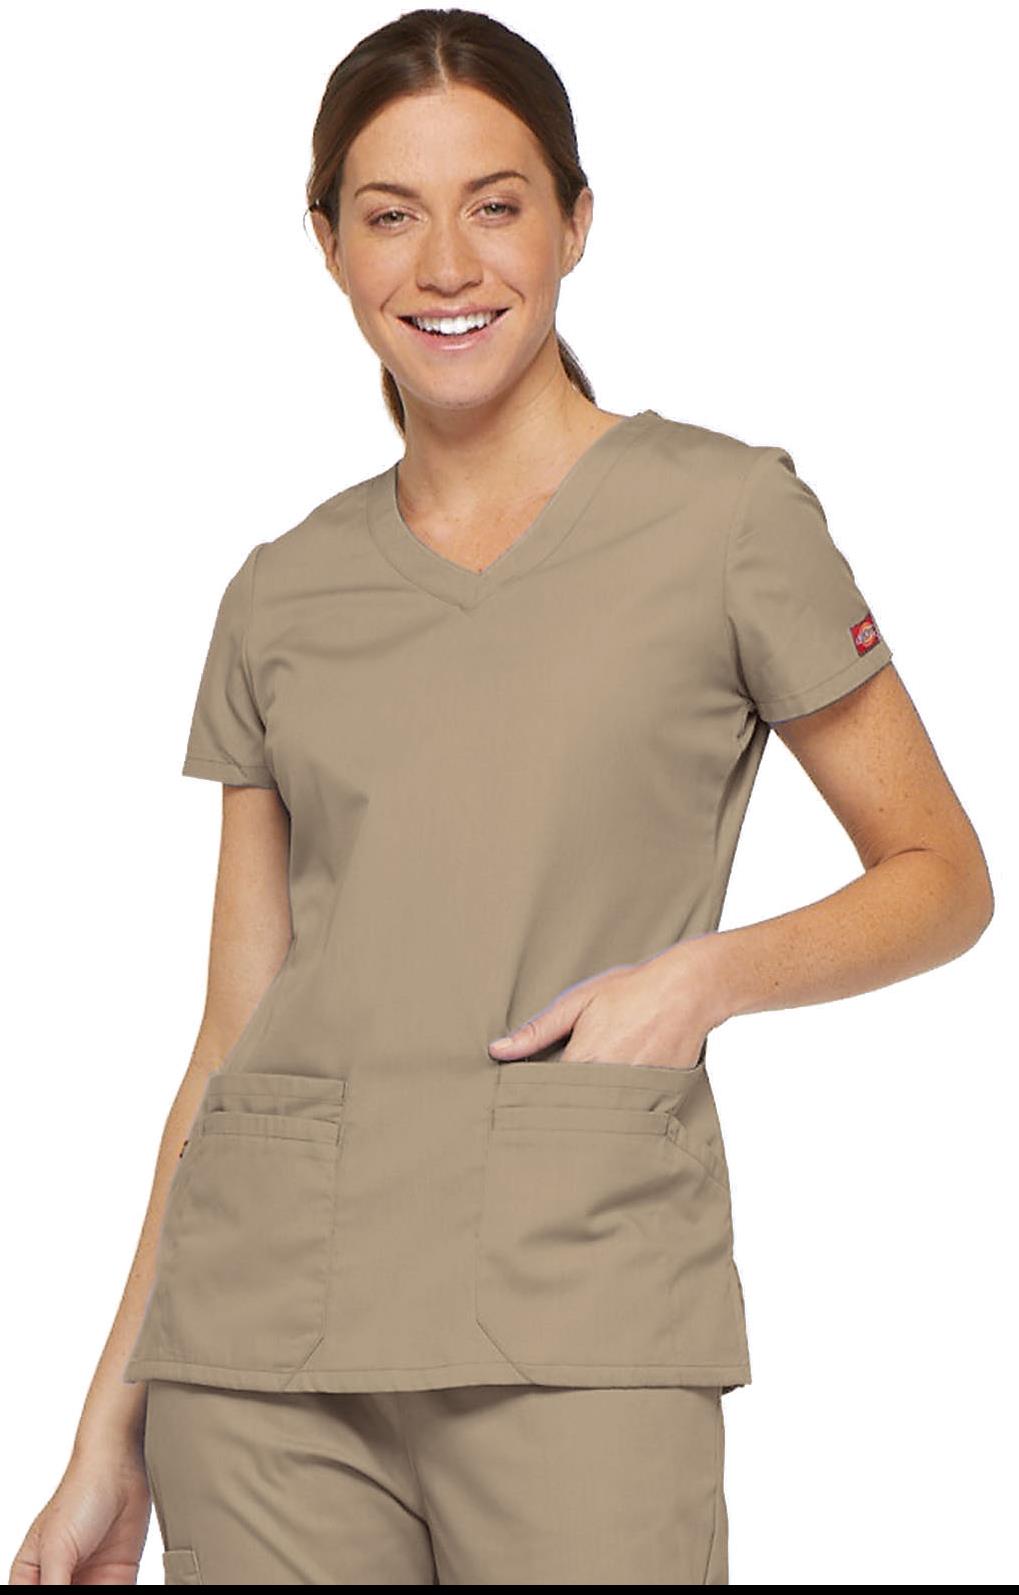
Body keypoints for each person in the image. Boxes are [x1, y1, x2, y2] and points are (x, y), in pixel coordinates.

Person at [10, 7, 994, 1588]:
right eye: (391, 214)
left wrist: (702, 980)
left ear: (576, 223)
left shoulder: (728, 518)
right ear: (328, 245)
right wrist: (103, 1430)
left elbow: (943, 873)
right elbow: (233, 1031)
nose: (448, 265)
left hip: (579, 1318)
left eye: (497, 204)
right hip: (260, 1361)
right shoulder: (279, 592)